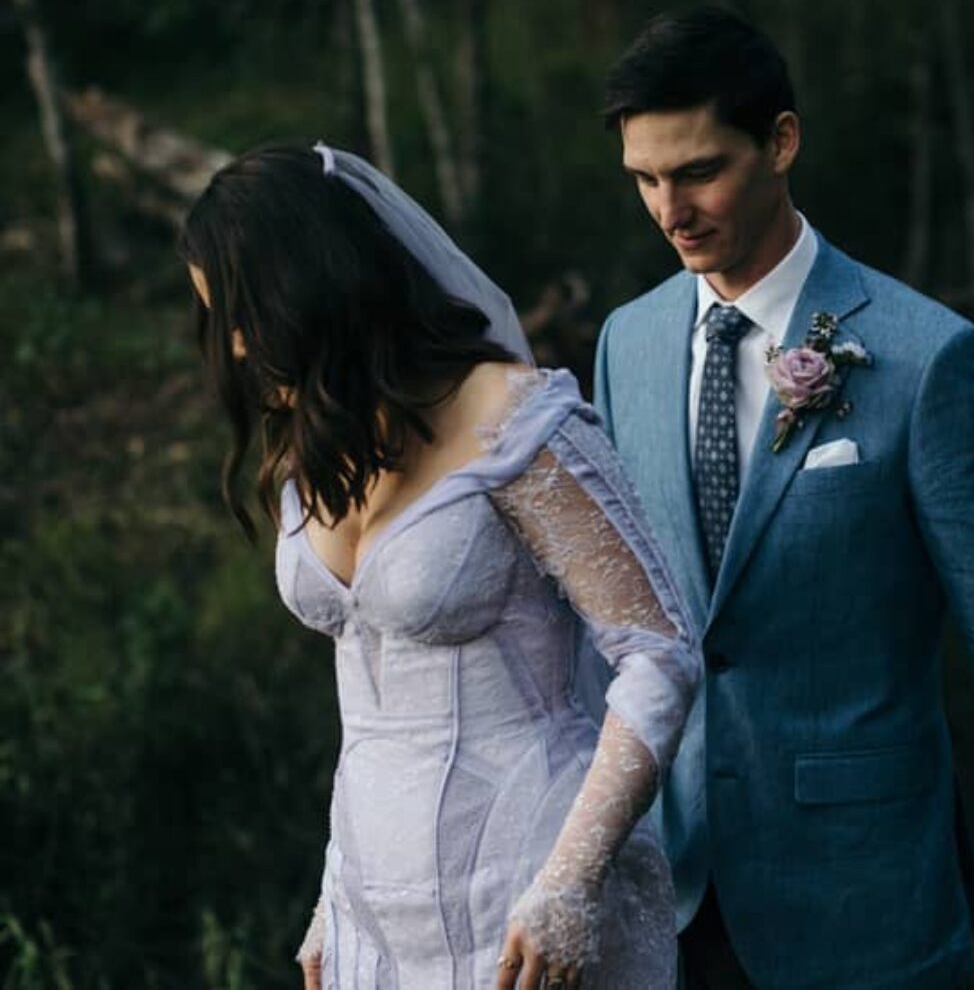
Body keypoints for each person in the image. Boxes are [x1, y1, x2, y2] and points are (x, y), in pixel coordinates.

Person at [591, 8, 974, 989]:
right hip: (666, 901)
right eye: (645, 180)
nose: (670, 209)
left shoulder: (926, 359)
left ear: (781, 140)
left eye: (698, 171)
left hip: (865, 909)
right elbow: (618, 634)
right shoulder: (627, 343)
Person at [178, 143, 700, 990]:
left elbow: (659, 653)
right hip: (376, 919)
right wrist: (333, 891)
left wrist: (569, 883)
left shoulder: (513, 418)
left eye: (241, 315)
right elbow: (369, 711)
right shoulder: (317, 452)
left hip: (528, 901)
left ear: (306, 286)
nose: (233, 348)